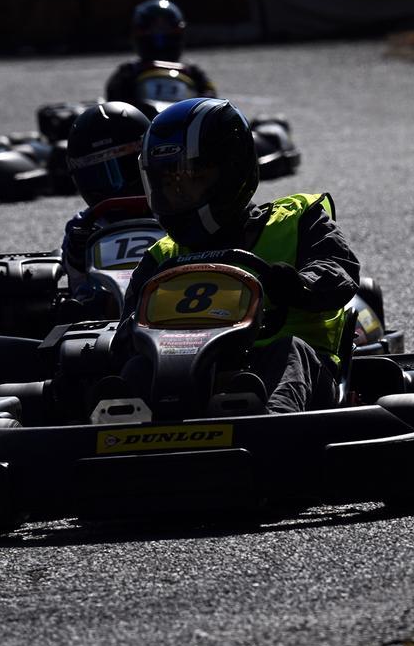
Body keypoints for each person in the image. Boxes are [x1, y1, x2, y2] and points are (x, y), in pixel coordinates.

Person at [113, 97, 358, 414]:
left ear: (232, 172)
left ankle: (273, 421)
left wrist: (298, 285)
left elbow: (338, 271)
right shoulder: (162, 257)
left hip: (297, 375)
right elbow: (125, 336)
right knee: (136, 367)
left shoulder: (297, 221)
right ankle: (115, 423)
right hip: (187, 374)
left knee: (290, 351)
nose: (178, 194)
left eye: (194, 178)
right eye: (168, 182)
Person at [60, 101, 153, 301]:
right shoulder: (84, 226)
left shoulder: (174, 212)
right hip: (106, 310)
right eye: (98, 176)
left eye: (127, 170)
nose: (117, 188)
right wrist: (76, 260)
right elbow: (77, 287)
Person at [104, 0, 216, 110]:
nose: (160, 34)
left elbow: (210, 96)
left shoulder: (192, 71)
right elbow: (115, 99)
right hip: (145, 119)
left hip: (183, 117)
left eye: (165, 28)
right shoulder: (129, 71)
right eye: (154, 28)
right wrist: (140, 106)